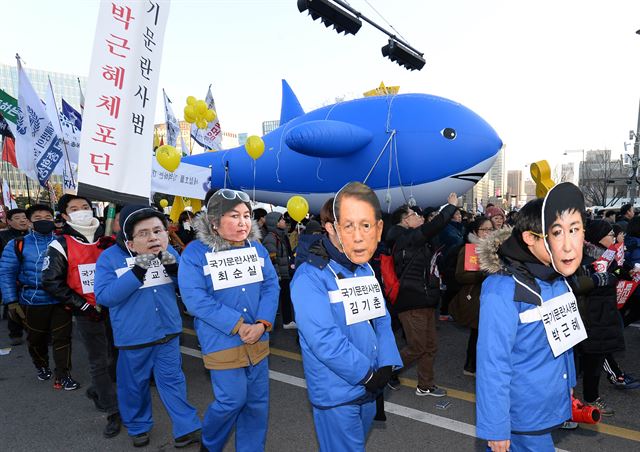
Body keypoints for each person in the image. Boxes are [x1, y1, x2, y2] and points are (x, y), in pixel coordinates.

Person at [290, 182, 402, 451]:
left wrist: (386, 363)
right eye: (348, 226)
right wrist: (365, 374)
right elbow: (323, 338)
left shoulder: (363, 268)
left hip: (368, 386)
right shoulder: (310, 276)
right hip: (337, 391)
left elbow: (382, 319)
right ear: (331, 228)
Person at [476, 183, 586, 452]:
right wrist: (496, 425)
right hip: (520, 414)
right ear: (529, 238)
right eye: (555, 235)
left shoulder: (557, 278)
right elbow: (493, 363)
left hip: (549, 401)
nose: (566, 245)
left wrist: (568, 386)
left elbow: (565, 339)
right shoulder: (502, 288)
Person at [178, 189, 279, 452]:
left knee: (257, 405)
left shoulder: (256, 248)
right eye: (234, 216)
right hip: (221, 338)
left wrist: (262, 323)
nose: (244, 222)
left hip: (258, 335)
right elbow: (194, 298)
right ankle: (210, 445)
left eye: (246, 215)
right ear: (214, 222)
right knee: (231, 401)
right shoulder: (195, 253)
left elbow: (270, 285)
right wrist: (237, 324)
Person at [95, 206, 201, 448]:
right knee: (134, 385)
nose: (152, 237)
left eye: (156, 230)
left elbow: (187, 287)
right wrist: (138, 270)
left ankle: (187, 427)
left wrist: (175, 269)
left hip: (168, 331)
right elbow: (105, 297)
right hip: (133, 337)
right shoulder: (108, 258)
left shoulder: (169, 251)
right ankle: (138, 426)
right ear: (129, 239)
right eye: (143, 233)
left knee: (173, 381)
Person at [42, 194, 121, 438]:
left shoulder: (110, 237)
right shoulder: (60, 244)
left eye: (85, 207)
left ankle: (100, 390)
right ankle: (112, 411)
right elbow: (51, 281)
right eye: (74, 208)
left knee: (116, 357)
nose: (82, 211)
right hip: (88, 312)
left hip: (116, 308)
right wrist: (83, 306)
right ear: (65, 216)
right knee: (99, 360)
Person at [386, 194, 458, 396]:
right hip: (412, 301)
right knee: (417, 347)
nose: (419, 216)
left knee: (430, 347)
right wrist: (450, 207)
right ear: (404, 220)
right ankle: (385, 370)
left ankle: (425, 386)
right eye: (413, 214)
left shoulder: (418, 240)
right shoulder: (404, 239)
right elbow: (433, 227)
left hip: (426, 299)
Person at [0, 204, 77, 389]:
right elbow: (6, 273)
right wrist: (11, 301)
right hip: (31, 300)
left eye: (48, 217)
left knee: (62, 338)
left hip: (61, 299)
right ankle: (41, 365)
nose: (44, 220)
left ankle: (63, 374)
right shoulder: (17, 244)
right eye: (38, 217)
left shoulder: (65, 241)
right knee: (36, 339)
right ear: (30, 221)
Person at [569, 220, 625, 417]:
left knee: (595, 361)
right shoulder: (580, 258)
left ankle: (590, 398)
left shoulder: (610, 256)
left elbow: (617, 273)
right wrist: (595, 279)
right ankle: (573, 403)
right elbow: (574, 285)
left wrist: (618, 274)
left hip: (604, 316)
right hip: (587, 316)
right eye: (610, 234)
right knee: (577, 363)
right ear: (598, 237)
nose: (614, 237)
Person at [448, 216, 493, 377]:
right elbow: (460, 276)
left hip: (491, 297)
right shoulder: (468, 250)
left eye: (490, 229)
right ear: (475, 231)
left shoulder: (495, 249)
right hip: (475, 297)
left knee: (485, 333)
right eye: (484, 230)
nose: (488, 233)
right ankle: (471, 366)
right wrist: (482, 275)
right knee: (477, 333)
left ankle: (477, 365)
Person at [0, 208, 29, 345]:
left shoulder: (35, 234)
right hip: (12, 277)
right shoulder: (3, 236)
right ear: (9, 222)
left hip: (30, 277)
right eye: (17, 218)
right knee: (14, 304)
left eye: (24, 217)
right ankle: (15, 333)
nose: (22, 220)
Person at [263, 211, 296, 329]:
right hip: (279, 275)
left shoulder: (280, 236)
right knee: (279, 299)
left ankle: (287, 321)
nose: (284, 221)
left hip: (283, 273)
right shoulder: (271, 238)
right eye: (281, 219)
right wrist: (277, 275)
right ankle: (285, 321)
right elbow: (272, 260)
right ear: (275, 223)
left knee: (286, 297)